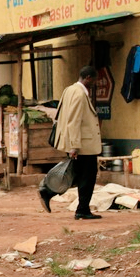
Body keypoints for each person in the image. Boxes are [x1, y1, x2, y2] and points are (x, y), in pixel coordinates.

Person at [39, 66, 103, 220]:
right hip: (83, 145)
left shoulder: (69, 90)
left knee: (76, 175)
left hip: (78, 143)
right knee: (87, 177)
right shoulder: (80, 94)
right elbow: (74, 120)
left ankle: (51, 193)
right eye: (94, 79)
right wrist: (74, 146)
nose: (95, 83)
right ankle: (80, 209)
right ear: (88, 77)